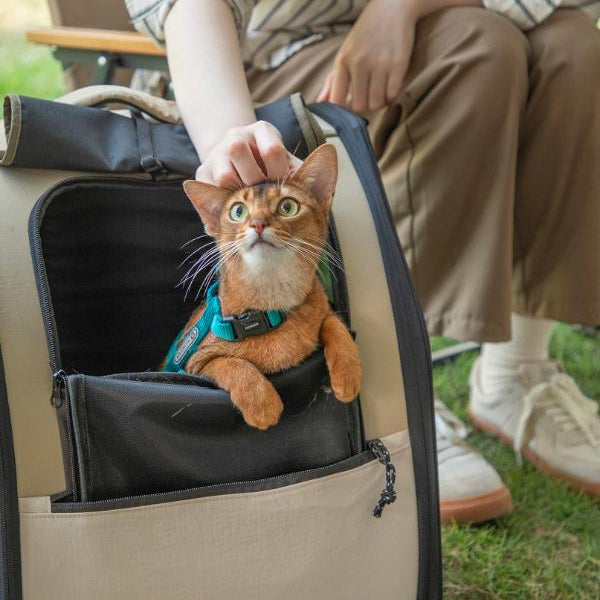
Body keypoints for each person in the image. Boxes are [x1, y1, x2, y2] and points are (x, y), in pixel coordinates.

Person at [124, 0, 600, 523]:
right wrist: (230, 141)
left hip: (442, 21)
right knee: (478, 47)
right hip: (261, 62)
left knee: (574, 45)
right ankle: (403, 394)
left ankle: (517, 373)